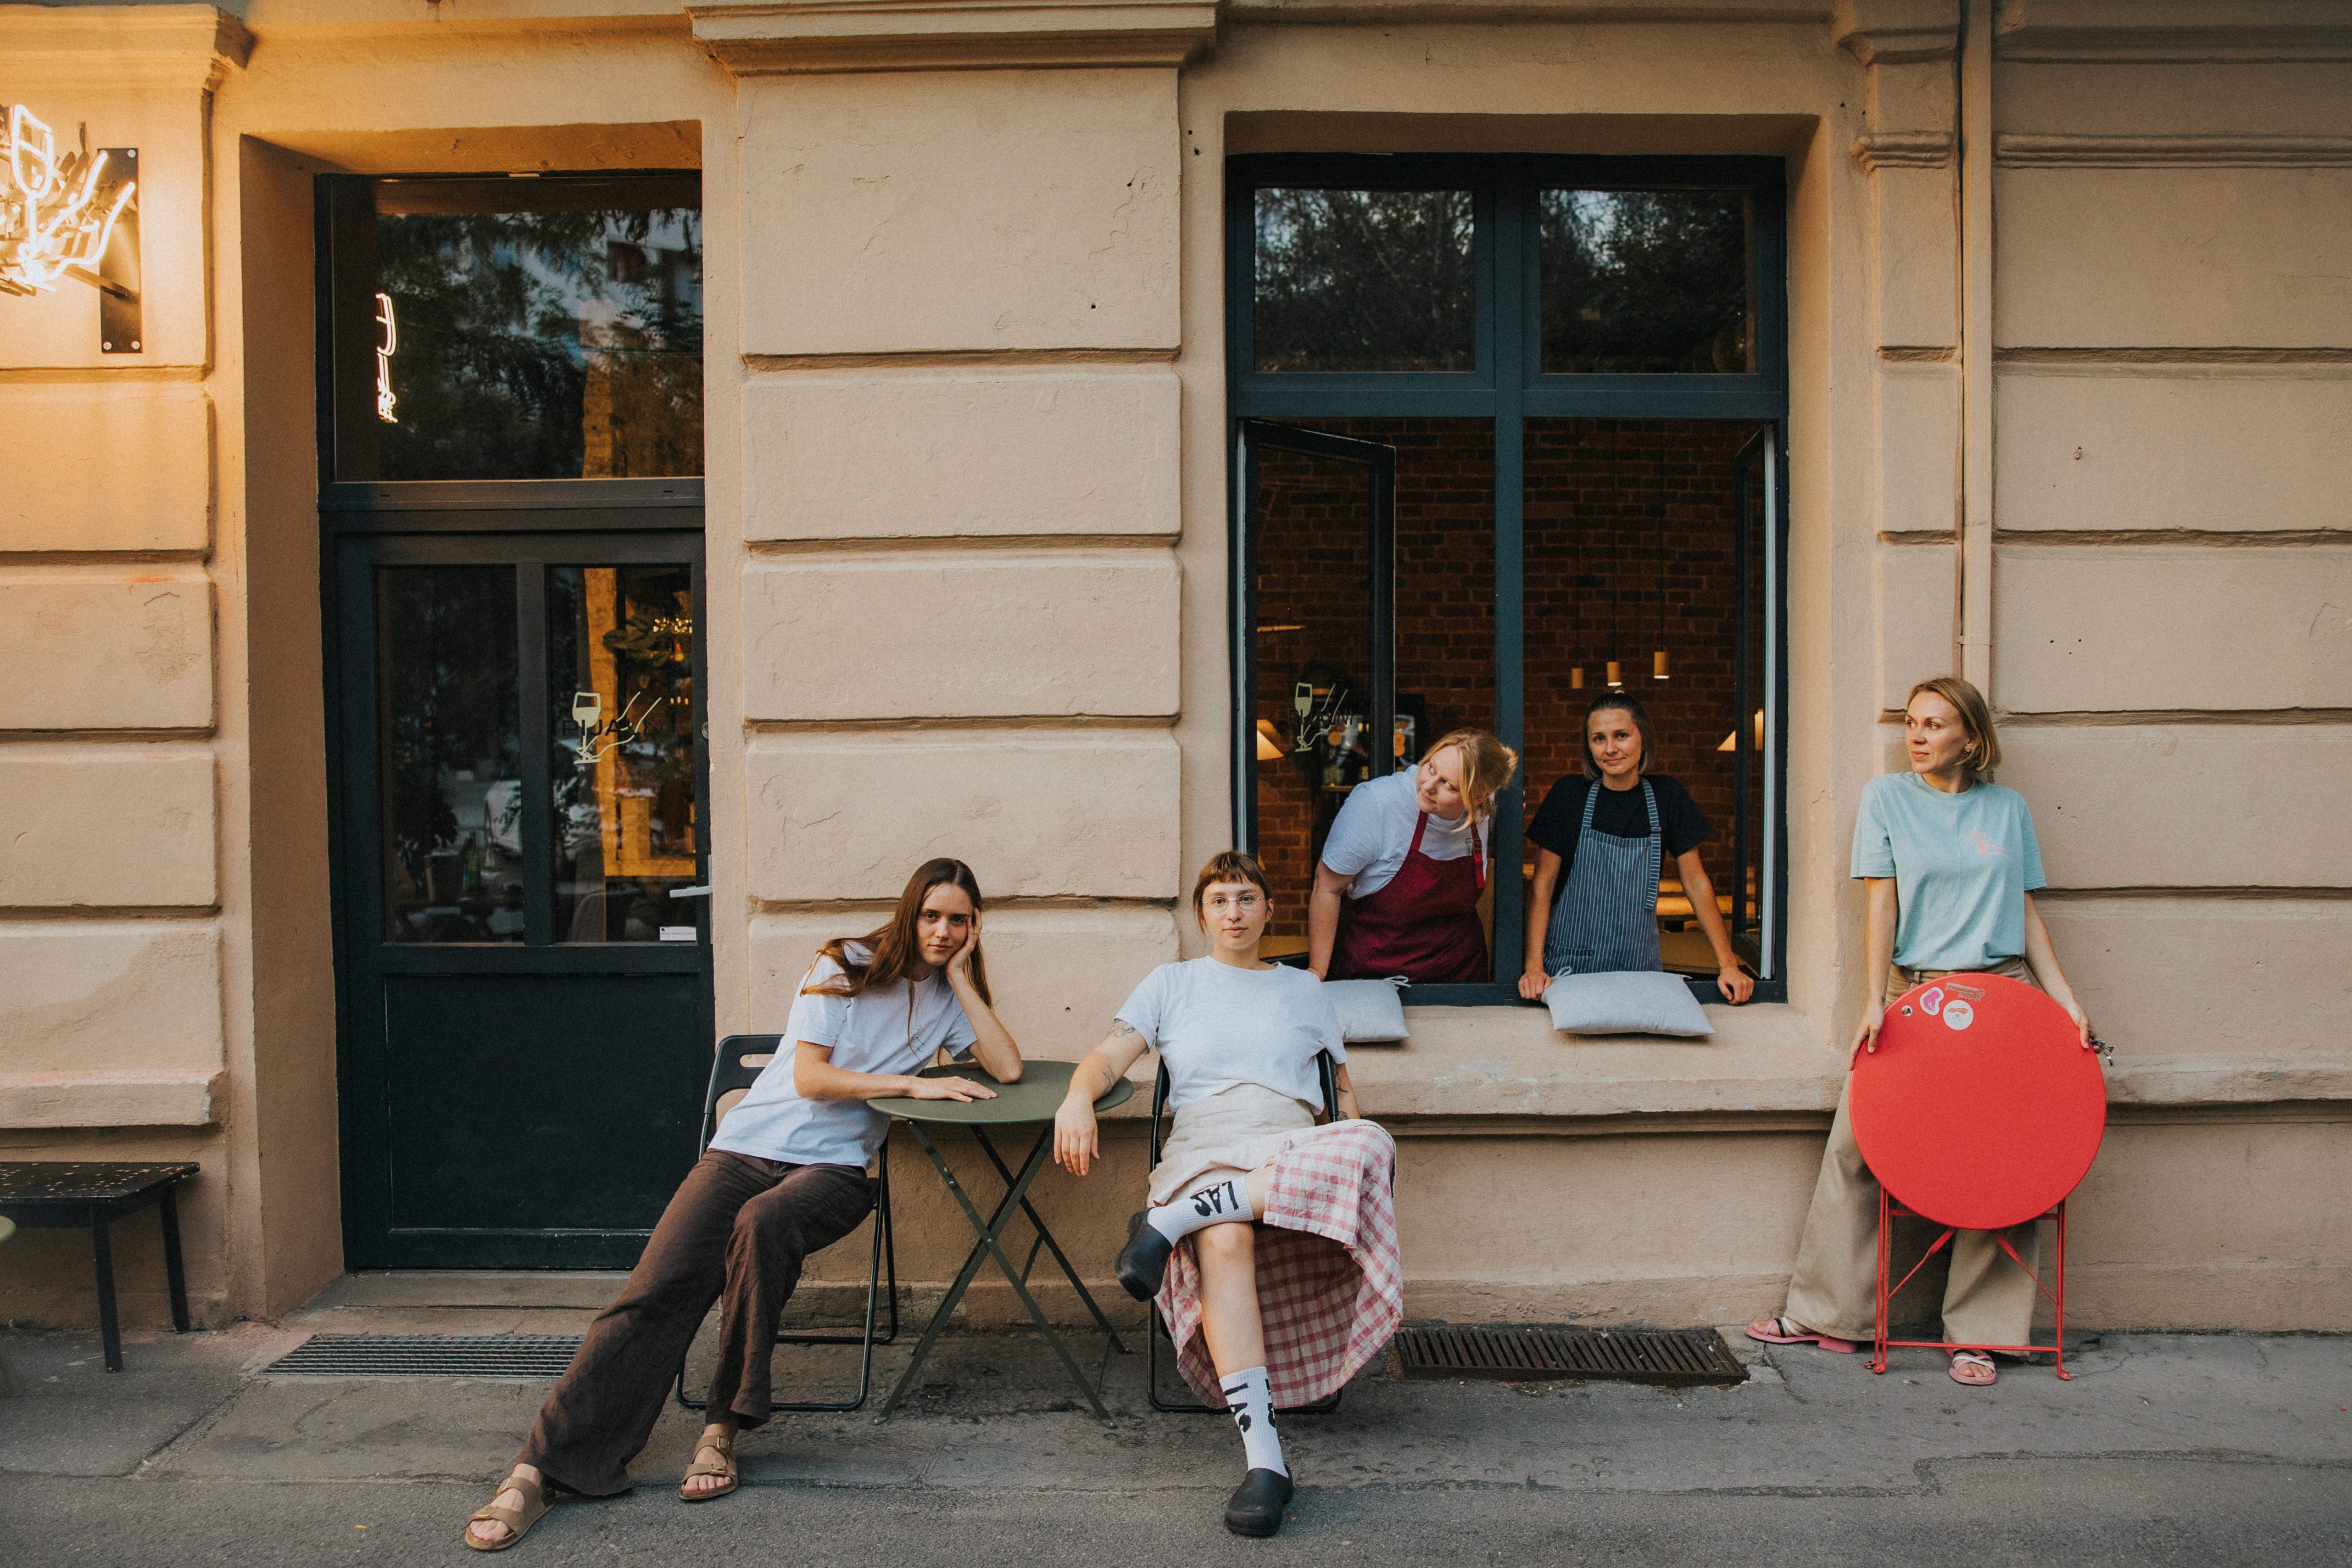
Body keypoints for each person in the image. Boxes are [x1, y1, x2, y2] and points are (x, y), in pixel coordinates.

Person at [462, 859, 1022, 1550]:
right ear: (909, 912)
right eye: (932, 915)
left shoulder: (946, 993)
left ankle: (721, 1428)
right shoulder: (844, 963)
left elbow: (1008, 1067)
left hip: (835, 1169)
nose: (943, 930)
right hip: (746, 1150)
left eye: (960, 920)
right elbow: (811, 1077)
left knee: (765, 1222)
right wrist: (913, 1087)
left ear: (973, 927)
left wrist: (963, 978)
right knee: (653, 1292)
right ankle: (539, 1470)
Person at [1747, 676, 2097, 1388]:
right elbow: (1882, 905)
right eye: (1911, 722)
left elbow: (2024, 912)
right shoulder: (1886, 800)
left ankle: (1981, 1335)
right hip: (1918, 996)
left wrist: (2065, 1001)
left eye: (1934, 725)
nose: (1916, 735)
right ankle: (1828, 1315)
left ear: (1969, 738)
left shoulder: (2006, 810)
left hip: (2004, 996)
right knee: (1858, 1147)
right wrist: (1875, 998)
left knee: (2001, 1164)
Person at [1055, 851, 1401, 1538]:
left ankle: (1167, 1221)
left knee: (1373, 1142)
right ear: (1201, 913)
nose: (1233, 913)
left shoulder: (1304, 989)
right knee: (1224, 1235)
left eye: (1246, 899)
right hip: (1206, 1142)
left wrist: (1348, 1152)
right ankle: (1265, 1460)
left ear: (1270, 910)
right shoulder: (1172, 984)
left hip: (1289, 1143)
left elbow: (1344, 1096)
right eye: (1218, 900)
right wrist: (1075, 1100)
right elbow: (1105, 1058)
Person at [1518, 692, 1755, 1004]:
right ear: (1589, 747)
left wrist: (1728, 964)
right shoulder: (1568, 796)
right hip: (1568, 968)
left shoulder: (1667, 797)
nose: (1611, 748)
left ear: (1643, 738)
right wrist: (1533, 967)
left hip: (1639, 970)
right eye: (1598, 739)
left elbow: (1697, 883)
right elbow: (1542, 886)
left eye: (1622, 735)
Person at [1308, 728, 1519, 985]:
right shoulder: (1378, 804)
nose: (1428, 786)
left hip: (1459, 978)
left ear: (1479, 797)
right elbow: (1327, 888)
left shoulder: (1488, 806)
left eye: (1448, 785)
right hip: (1376, 978)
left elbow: (1502, 774)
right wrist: (1317, 973)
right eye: (1431, 768)